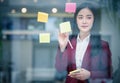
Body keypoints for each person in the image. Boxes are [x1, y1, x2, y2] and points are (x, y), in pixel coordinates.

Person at [55, 2, 112, 83]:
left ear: (94, 20)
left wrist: (90, 74)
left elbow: (107, 73)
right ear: (76, 20)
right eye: (80, 17)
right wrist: (62, 47)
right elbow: (59, 69)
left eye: (89, 17)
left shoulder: (103, 45)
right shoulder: (69, 42)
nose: (84, 21)